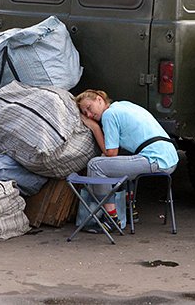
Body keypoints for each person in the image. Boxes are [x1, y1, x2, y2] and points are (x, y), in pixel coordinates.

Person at [75, 89, 179, 228]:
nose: (89, 114)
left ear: (99, 99)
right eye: (85, 113)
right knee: (123, 157)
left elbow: (111, 153)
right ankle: (130, 210)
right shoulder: (123, 105)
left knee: (96, 165)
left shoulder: (109, 115)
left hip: (155, 159)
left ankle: (110, 218)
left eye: (89, 108)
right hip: (169, 157)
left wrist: (95, 128)